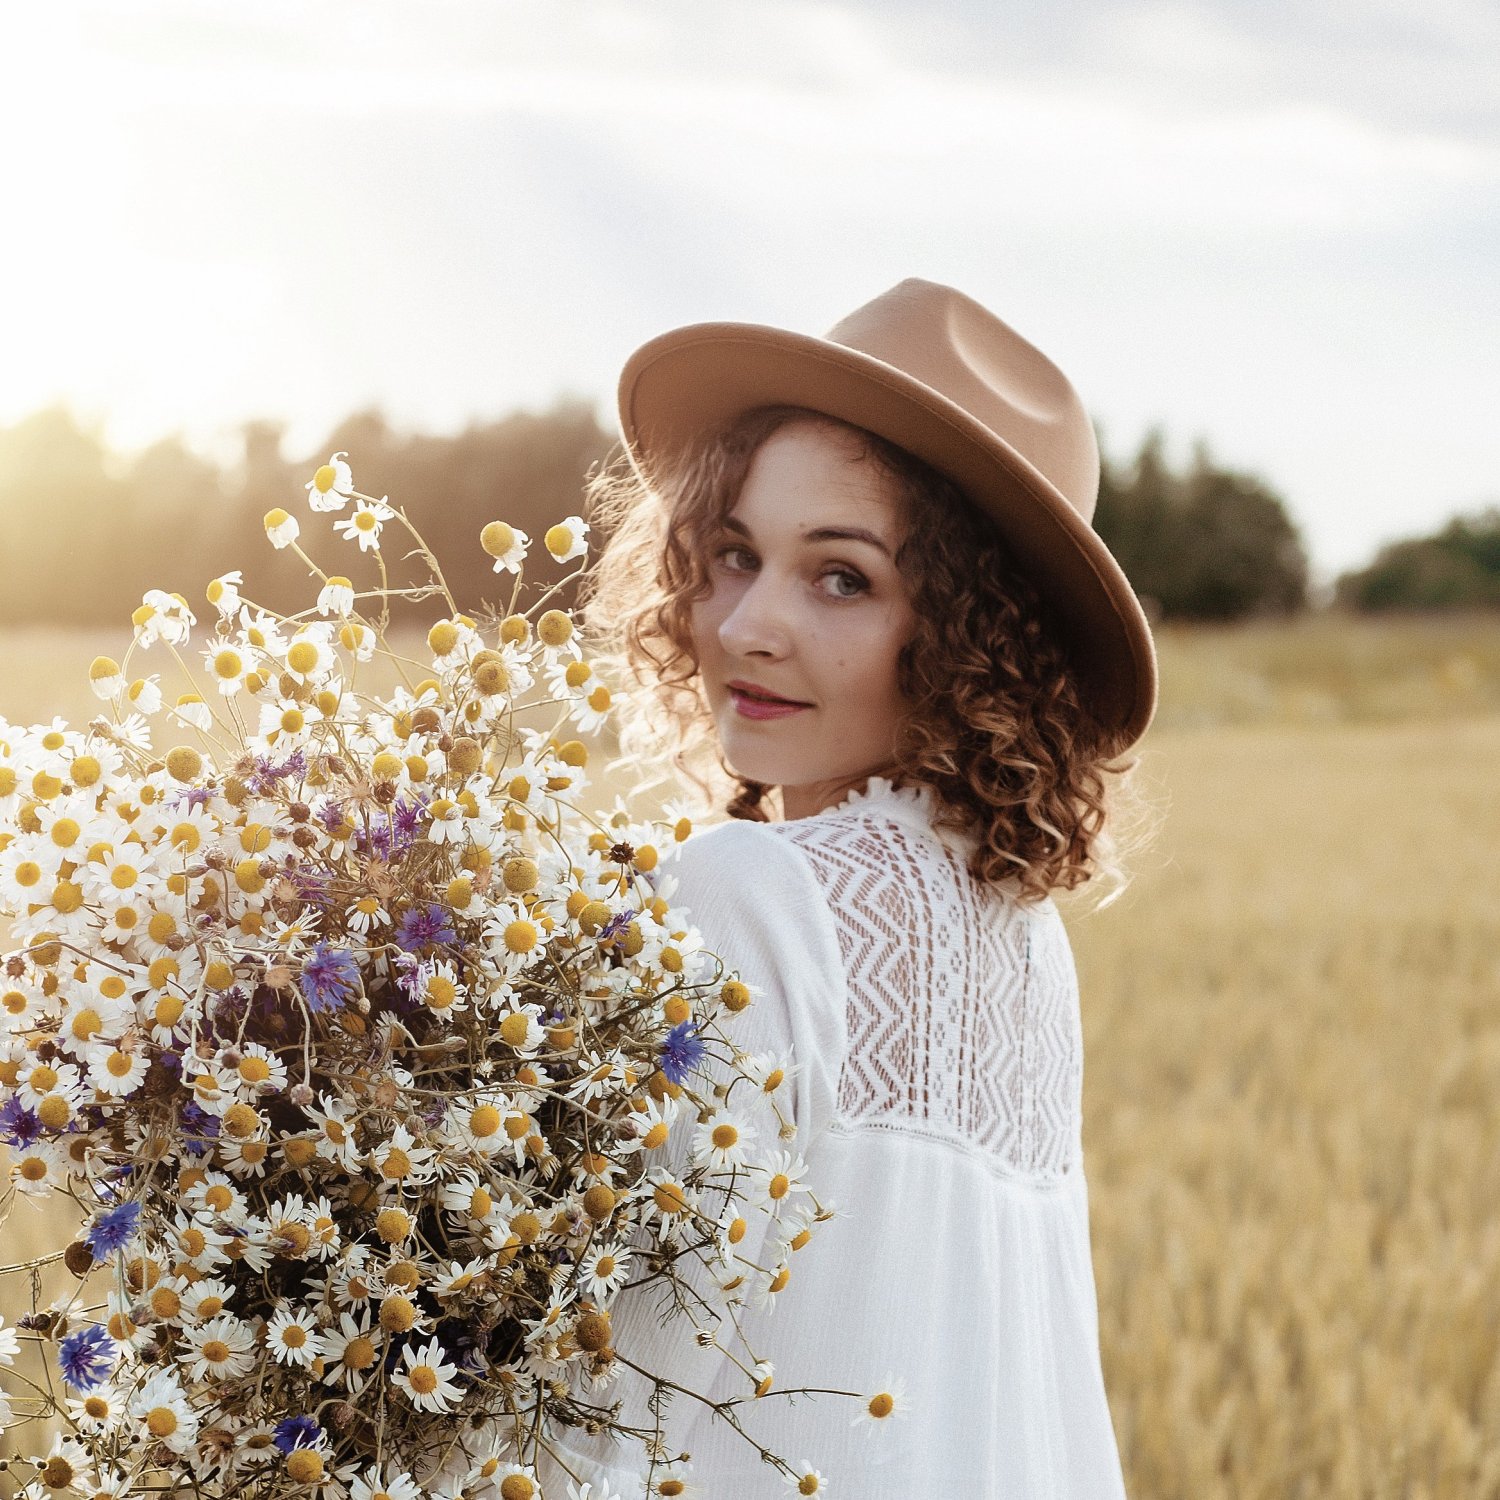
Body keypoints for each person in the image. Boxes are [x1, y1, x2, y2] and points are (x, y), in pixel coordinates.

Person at [549, 278, 1160, 1498]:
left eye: (842, 578)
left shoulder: (751, 895)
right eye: (732, 555)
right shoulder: (1022, 931)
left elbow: (611, 1399)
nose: (745, 626)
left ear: (971, 637)